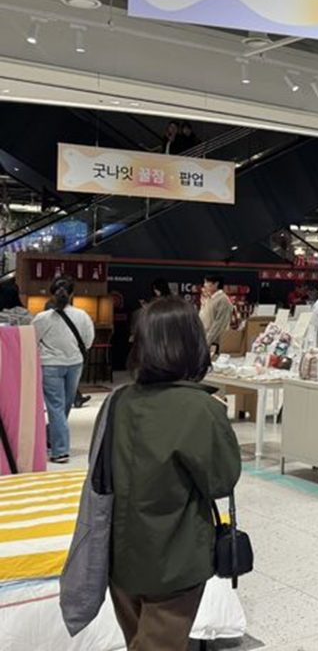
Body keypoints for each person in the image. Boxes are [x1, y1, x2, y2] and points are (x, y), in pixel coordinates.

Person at [105, 297, 241, 651]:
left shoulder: (119, 401)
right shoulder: (200, 408)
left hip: (121, 555)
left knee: (137, 638)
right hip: (176, 558)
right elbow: (221, 480)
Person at [31, 277, 95, 463]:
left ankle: (59, 450)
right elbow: (88, 340)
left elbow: (32, 340)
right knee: (63, 406)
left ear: (51, 294)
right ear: (72, 294)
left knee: (56, 407)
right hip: (75, 364)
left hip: (50, 364)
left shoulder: (42, 318)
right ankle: (56, 441)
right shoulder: (82, 316)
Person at [199, 275, 232, 354]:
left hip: (215, 342)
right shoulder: (210, 298)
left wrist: (207, 341)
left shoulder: (223, 300)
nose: (204, 285)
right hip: (205, 340)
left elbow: (218, 324)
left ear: (216, 284)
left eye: (207, 282)